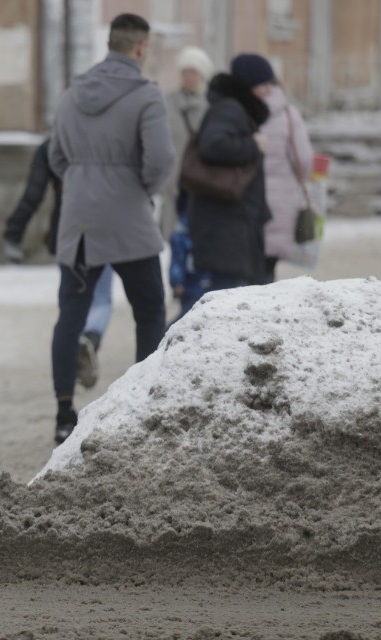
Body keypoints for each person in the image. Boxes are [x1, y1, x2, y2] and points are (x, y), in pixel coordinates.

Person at [47, 13, 175, 444]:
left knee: (71, 315)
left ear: (111, 42)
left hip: (79, 221)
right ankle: (144, 403)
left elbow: (56, 157)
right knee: (150, 310)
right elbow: (160, 160)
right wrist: (135, 188)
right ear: (141, 47)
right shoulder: (146, 96)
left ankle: (64, 412)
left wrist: (84, 181)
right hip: (128, 218)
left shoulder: (72, 92)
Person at [1, 139, 114, 389]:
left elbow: (34, 192)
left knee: (71, 302)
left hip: (66, 231)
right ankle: (91, 339)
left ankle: (69, 373)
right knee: (101, 298)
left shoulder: (53, 145)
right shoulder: (107, 137)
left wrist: (14, 232)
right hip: (105, 227)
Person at [188, 54, 272, 295]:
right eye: (264, 84)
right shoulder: (230, 109)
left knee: (226, 299)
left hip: (232, 222)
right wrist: (253, 145)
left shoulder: (235, 109)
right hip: (225, 224)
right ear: (249, 85)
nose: (268, 91)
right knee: (220, 300)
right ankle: (171, 335)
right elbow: (213, 145)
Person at [261, 78, 315, 282]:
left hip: (250, 198)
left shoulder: (246, 111)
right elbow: (303, 158)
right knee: (269, 265)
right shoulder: (288, 114)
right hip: (283, 199)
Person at [160, 46, 214, 240]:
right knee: (173, 233)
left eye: (194, 72)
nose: (189, 77)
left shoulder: (211, 106)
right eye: (185, 72)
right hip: (173, 178)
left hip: (201, 179)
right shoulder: (166, 103)